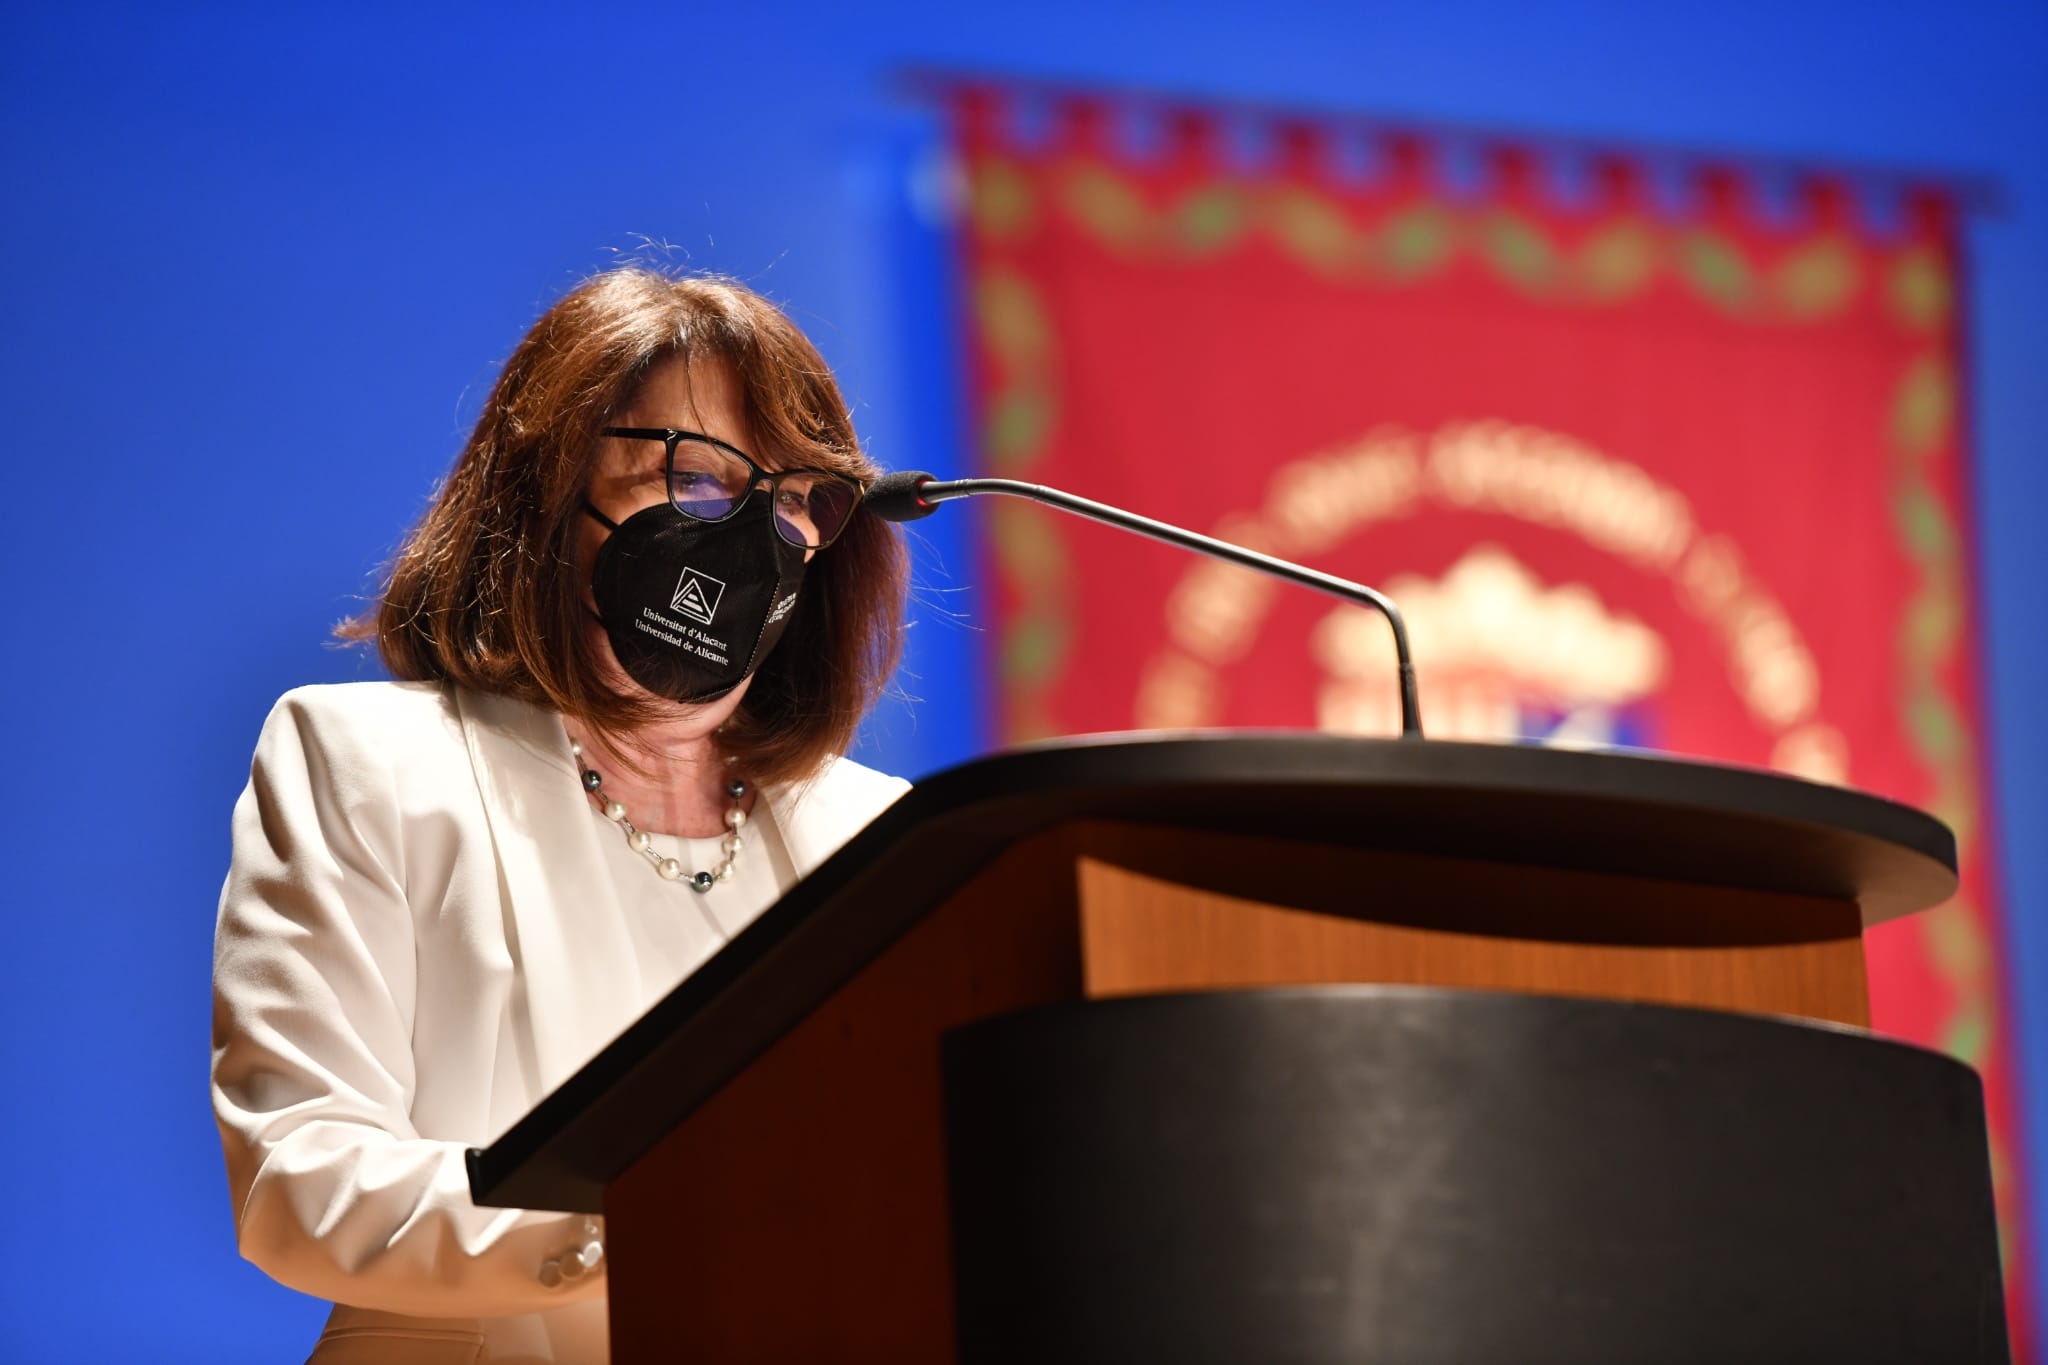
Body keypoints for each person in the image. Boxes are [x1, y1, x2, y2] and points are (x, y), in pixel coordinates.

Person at [210, 269, 910, 1364]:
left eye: (789, 504)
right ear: (544, 495)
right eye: (692, 481)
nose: (748, 545)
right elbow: (300, 1179)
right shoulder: (372, 764)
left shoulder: (882, 839)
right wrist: (644, 1223)